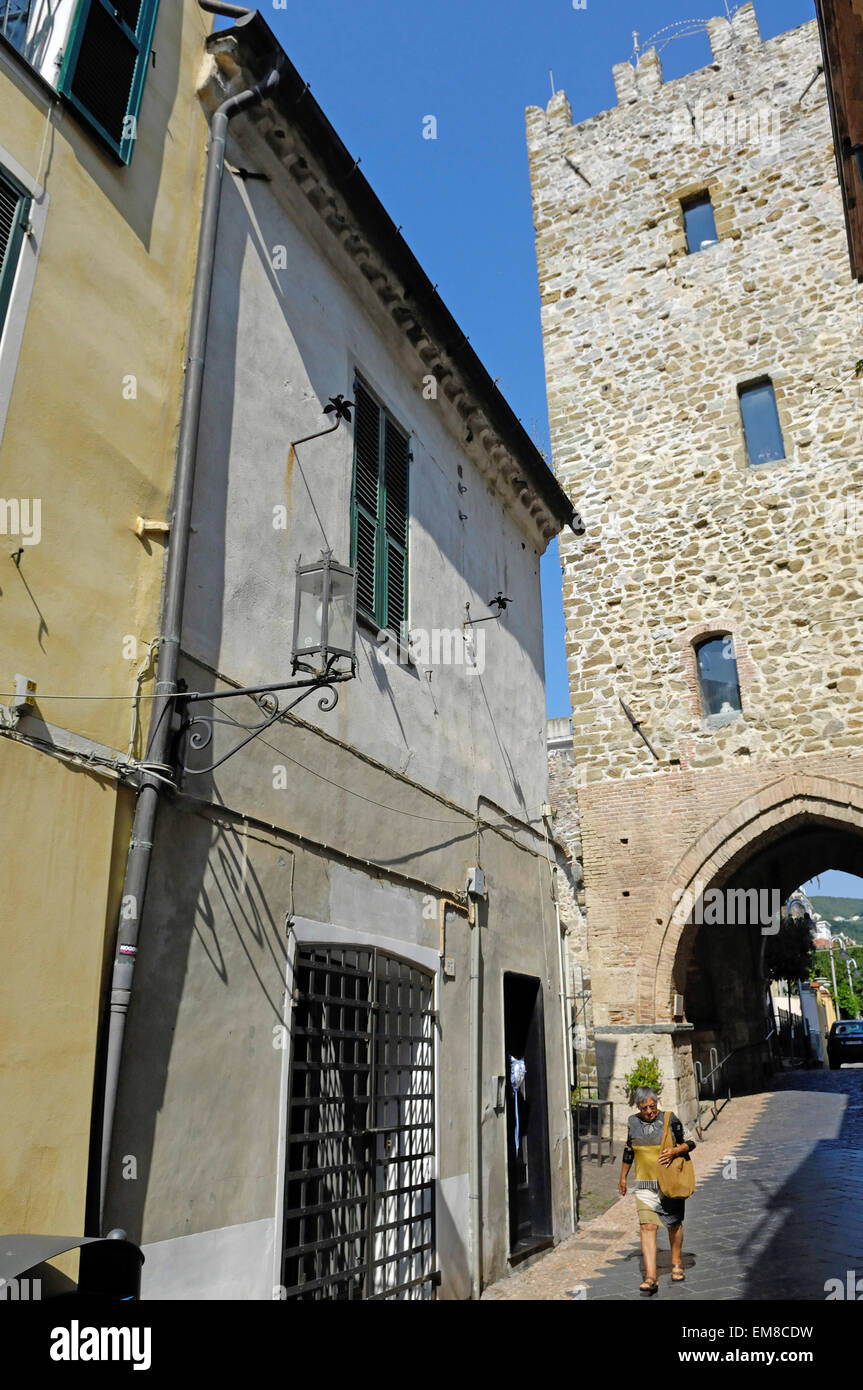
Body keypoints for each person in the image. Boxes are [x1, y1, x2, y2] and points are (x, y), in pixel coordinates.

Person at [617, 1086, 696, 1295]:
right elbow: (628, 1150)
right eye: (645, 1108)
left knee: (674, 1224)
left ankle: (676, 1262)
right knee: (647, 1227)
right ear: (638, 1107)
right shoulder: (633, 1122)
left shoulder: (670, 1119)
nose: (650, 1111)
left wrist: (675, 1150)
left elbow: (691, 1142)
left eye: (652, 1106)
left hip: (669, 1183)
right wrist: (623, 1177)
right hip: (644, 1185)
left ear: (656, 1103)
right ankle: (651, 1276)